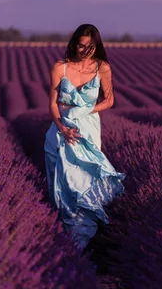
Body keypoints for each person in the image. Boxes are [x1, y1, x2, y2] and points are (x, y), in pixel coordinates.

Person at [43, 24, 126, 254]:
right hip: (61, 132)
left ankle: (80, 244)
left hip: (87, 130)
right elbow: (52, 103)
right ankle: (67, 244)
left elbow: (109, 100)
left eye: (89, 46)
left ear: (96, 46)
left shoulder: (103, 68)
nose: (84, 50)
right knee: (64, 186)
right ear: (73, 43)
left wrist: (84, 112)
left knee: (84, 182)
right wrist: (61, 127)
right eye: (80, 45)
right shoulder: (60, 67)